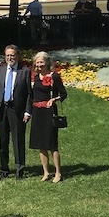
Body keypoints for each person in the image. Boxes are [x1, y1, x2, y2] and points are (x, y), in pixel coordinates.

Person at [24, 51, 67, 183]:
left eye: (41, 62)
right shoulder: (35, 77)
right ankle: (46, 172)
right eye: (37, 63)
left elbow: (64, 94)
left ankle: (58, 173)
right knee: (41, 144)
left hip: (49, 112)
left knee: (52, 144)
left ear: (47, 62)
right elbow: (31, 96)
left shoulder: (54, 77)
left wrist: (54, 99)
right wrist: (28, 112)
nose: (39, 65)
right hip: (37, 112)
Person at [0, 44, 31, 180]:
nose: (10, 58)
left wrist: (27, 112)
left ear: (17, 56)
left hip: (17, 110)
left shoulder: (24, 71)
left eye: (12, 55)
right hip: (2, 109)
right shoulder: (0, 70)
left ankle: (19, 170)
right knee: (3, 141)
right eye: (8, 55)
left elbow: (28, 94)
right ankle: (3, 170)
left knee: (18, 140)